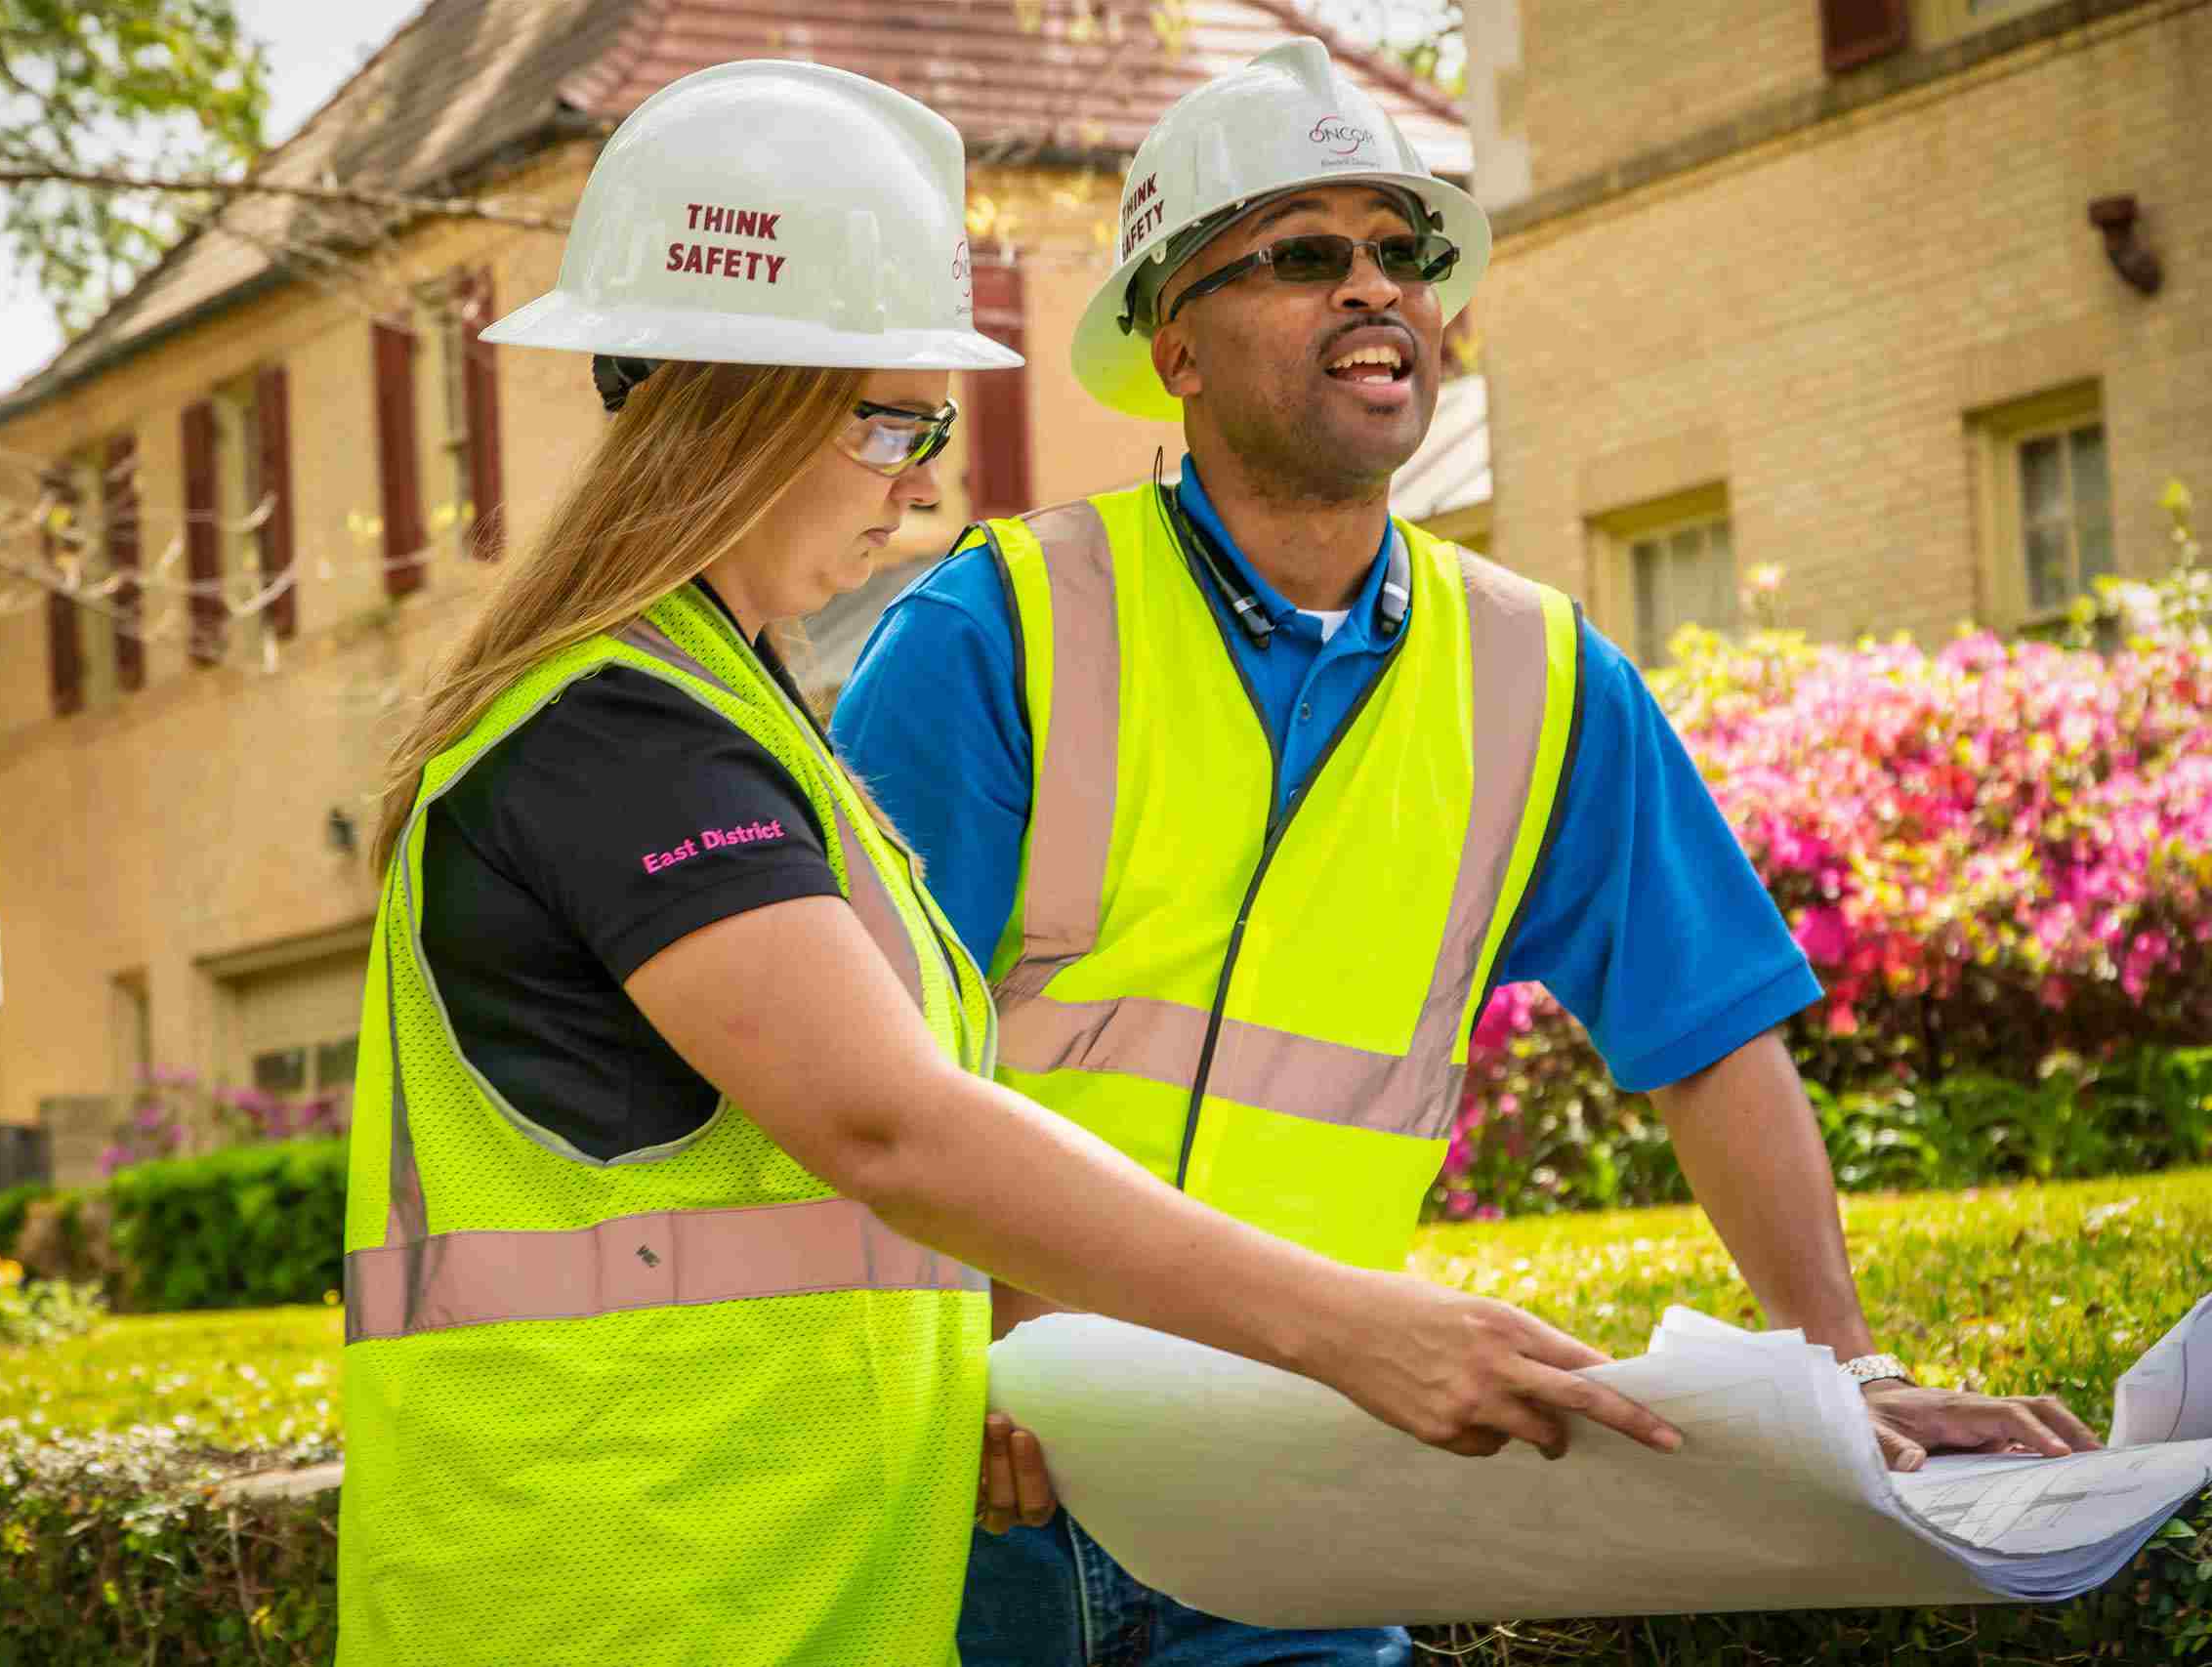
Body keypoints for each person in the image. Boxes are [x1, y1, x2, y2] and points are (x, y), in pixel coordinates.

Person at [335, 59, 1685, 1667]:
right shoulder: (618, 741)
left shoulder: (725, 728)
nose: (923, 487)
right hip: (632, 1602)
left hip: (754, 1593)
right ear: (743, 402)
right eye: (898, 420)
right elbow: (891, 1120)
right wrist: (1355, 1330)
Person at [831, 37, 2106, 1667]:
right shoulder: (992, 630)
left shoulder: (1541, 671)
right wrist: (965, 1347)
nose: (1377, 290)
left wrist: (1840, 1378)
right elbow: (848, 1076)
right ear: (1179, 348)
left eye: (1403, 250)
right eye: (1305, 254)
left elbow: (1709, 1037)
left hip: (1302, 1480)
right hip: (989, 1476)